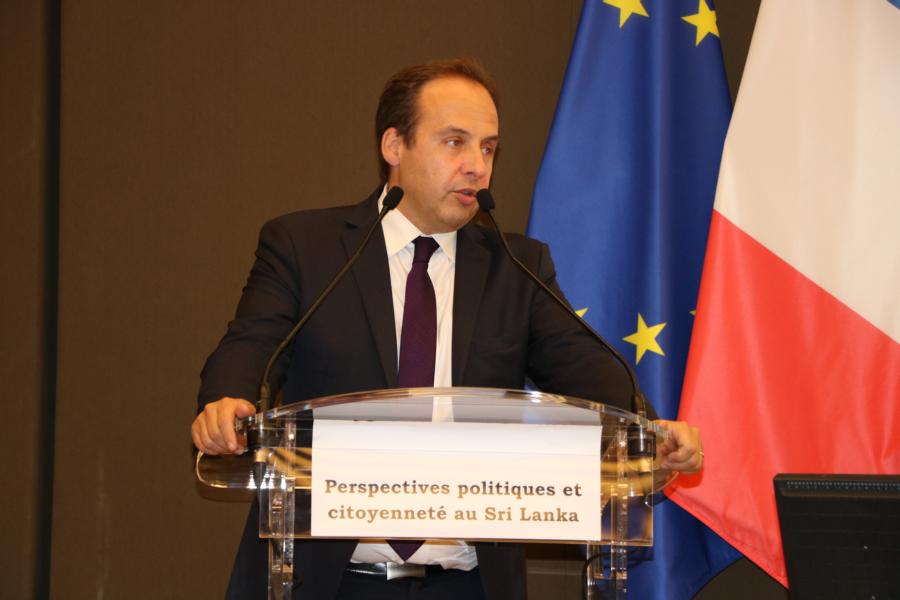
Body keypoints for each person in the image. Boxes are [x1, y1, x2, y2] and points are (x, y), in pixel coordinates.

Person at [192, 57, 703, 600]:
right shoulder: (307, 247)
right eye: (455, 142)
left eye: (488, 148)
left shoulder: (517, 266)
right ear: (395, 146)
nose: (477, 167)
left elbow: (586, 368)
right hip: (324, 581)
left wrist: (651, 430)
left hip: (466, 584)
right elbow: (250, 345)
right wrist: (227, 402)